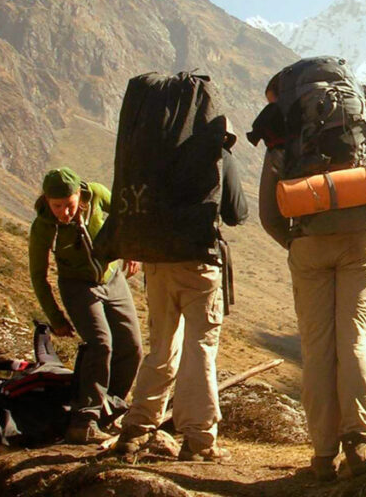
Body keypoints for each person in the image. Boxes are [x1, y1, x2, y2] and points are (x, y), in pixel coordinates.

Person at [258, 66, 366, 482]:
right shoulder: (360, 115)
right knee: (355, 341)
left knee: (318, 350)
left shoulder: (285, 123)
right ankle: (358, 441)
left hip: (308, 244)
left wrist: (297, 242)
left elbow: (268, 212)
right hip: (359, 241)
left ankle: (322, 456)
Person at [115, 120, 249, 463]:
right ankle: (199, 441)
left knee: (161, 346)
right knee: (199, 349)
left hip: (158, 264)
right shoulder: (219, 154)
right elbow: (237, 213)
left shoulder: (161, 149)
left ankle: (135, 430)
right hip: (199, 267)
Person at [28, 167, 143, 444]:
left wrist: (131, 249)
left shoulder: (97, 195)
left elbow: (125, 214)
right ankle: (84, 421)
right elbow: (38, 276)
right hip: (78, 287)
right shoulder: (43, 227)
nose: (64, 213)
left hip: (112, 278)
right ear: (47, 200)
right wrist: (55, 317)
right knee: (101, 344)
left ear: (79, 195)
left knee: (132, 347)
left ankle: (110, 411)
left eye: (69, 205)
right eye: (57, 206)